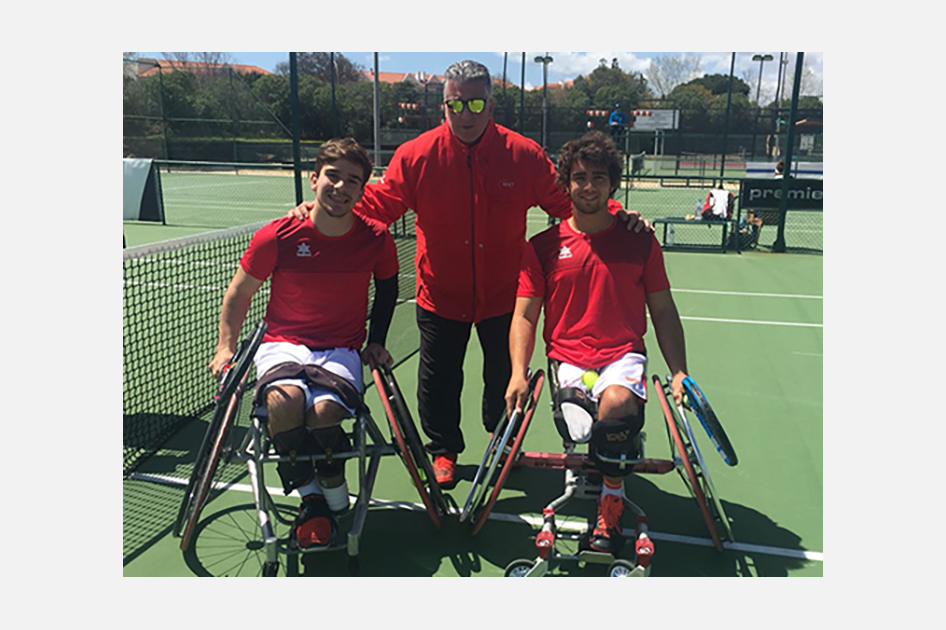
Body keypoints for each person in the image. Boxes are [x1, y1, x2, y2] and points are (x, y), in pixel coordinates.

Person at [288, 60, 651, 490]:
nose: (465, 114)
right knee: (439, 381)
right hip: (440, 295)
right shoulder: (417, 155)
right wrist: (317, 210)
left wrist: (618, 213)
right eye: (455, 104)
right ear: (443, 105)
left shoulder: (523, 155)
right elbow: (378, 205)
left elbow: (566, 202)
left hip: (505, 296)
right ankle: (444, 450)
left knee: (502, 378)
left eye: (475, 103)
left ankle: (502, 444)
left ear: (491, 105)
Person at [210, 138, 399, 549]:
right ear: (314, 180)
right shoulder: (277, 234)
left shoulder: (377, 238)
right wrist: (226, 347)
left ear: (362, 190)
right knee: (284, 402)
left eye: (353, 181)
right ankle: (312, 494)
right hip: (283, 343)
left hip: (341, 349)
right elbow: (239, 294)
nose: (341, 187)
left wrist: (377, 340)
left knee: (324, 410)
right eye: (333, 176)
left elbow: (387, 292)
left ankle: (329, 485)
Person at [505, 131, 688, 554]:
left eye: (599, 178)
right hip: (567, 359)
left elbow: (663, 310)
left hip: (622, 356)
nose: (589, 186)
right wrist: (517, 372)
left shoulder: (640, 240)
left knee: (616, 405)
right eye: (580, 177)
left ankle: (610, 502)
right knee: (582, 428)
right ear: (565, 183)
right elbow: (524, 314)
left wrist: (679, 371)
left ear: (613, 184)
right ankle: (612, 456)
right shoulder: (543, 247)